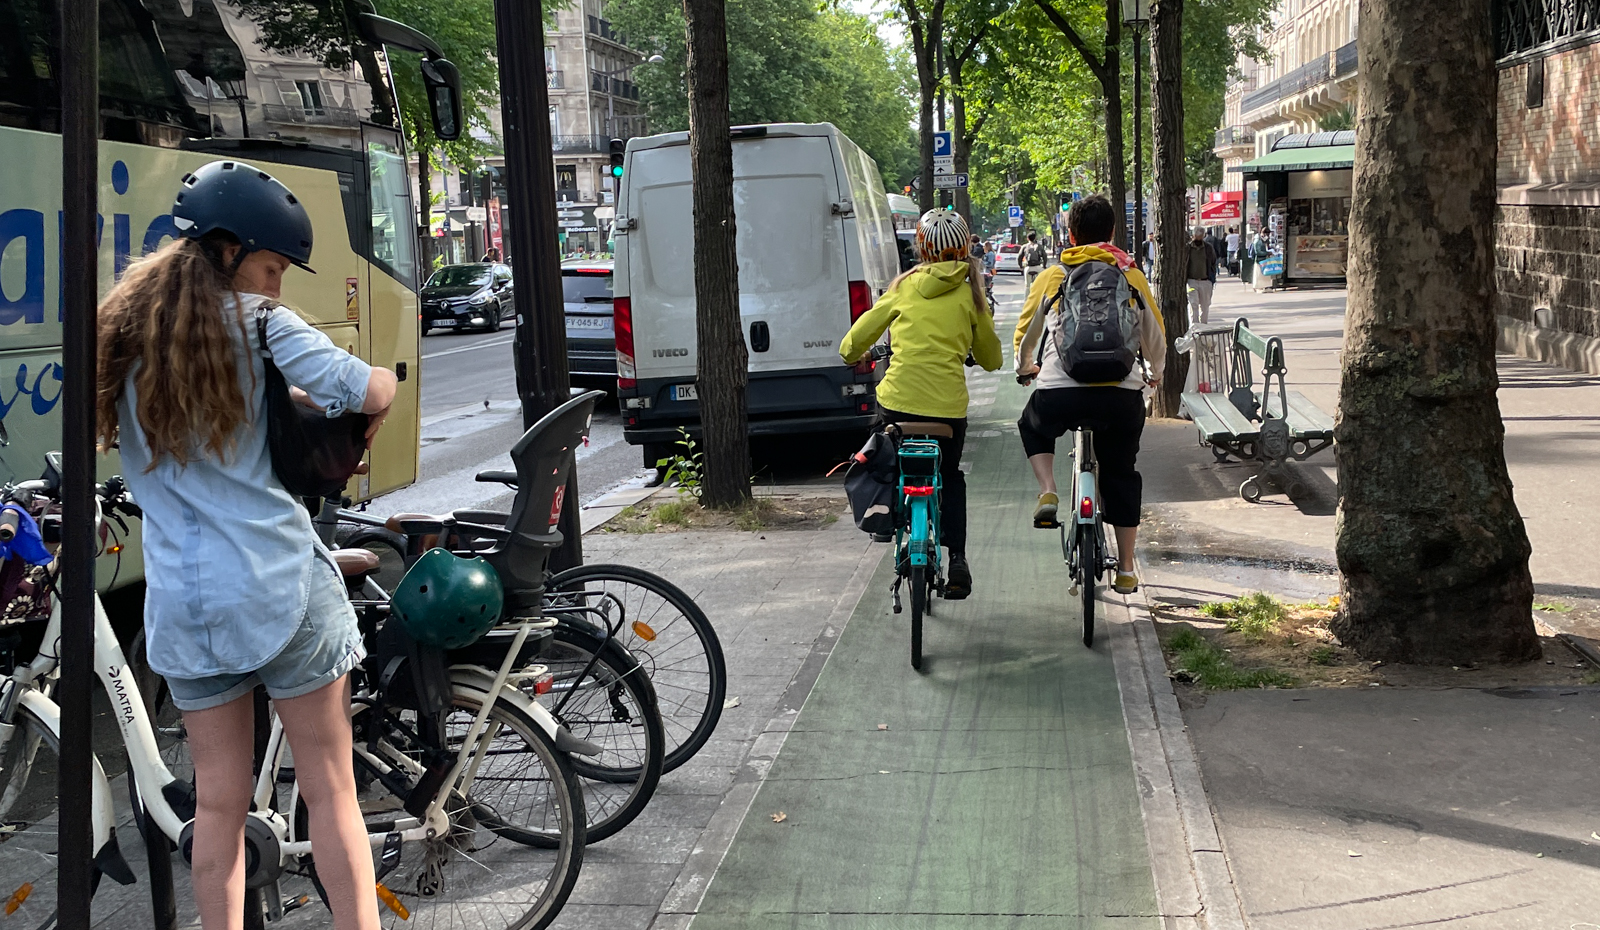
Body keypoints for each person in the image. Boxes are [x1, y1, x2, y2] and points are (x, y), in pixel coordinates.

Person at [96, 161, 396, 930]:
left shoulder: (128, 337)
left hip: (185, 609)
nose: (276, 287)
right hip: (281, 584)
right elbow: (367, 390)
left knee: (218, 805)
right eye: (271, 267)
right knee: (330, 790)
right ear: (228, 252)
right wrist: (352, 395)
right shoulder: (258, 323)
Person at [840, 209, 1002, 600]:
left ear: (920, 249)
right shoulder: (972, 293)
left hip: (898, 404)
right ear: (965, 248)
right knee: (951, 475)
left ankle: (889, 520)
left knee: (891, 462)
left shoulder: (903, 287)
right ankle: (958, 558)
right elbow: (993, 359)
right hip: (947, 412)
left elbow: (850, 346)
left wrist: (858, 354)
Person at [1012, 194, 1165, 594]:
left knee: (1033, 425)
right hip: (1120, 394)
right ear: (1113, 231)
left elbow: (1028, 330)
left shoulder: (1055, 274)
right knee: (1121, 472)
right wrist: (1156, 373)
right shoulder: (1129, 273)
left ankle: (1048, 490)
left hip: (1060, 392)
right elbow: (1154, 334)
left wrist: (1024, 367)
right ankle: (1127, 568)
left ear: (1071, 234)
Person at [1185, 226, 1217, 325]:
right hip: (1192, 281)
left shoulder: (1208, 248)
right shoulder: (1188, 248)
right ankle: (1194, 327)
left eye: (1200, 237)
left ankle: (1203, 326)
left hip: (1205, 281)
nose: (1198, 239)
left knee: (1205, 306)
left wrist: (1211, 278)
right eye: (1196, 236)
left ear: (1203, 236)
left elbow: (1213, 262)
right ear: (1193, 236)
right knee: (1193, 304)